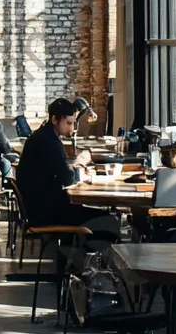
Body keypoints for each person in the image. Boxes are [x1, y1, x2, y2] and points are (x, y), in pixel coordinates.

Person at [15, 97, 119, 238]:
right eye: (68, 123)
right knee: (109, 220)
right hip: (46, 213)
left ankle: (78, 256)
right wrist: (80, 162)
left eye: (73, 123)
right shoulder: (50, 142)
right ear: (54, 120)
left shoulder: (41, 136)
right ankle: (91, 258)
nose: (72, 128)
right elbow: (68, 179)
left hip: (37, 208)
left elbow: (59, 172)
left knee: (97, 215)